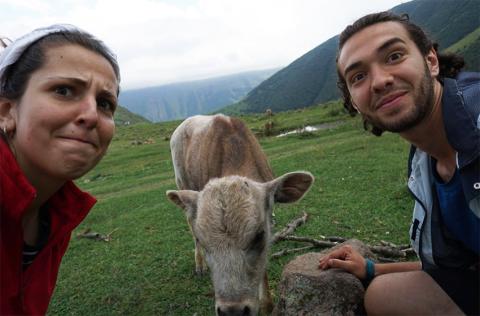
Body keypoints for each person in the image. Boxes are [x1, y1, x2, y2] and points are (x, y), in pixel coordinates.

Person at [318, 11, 479, 316]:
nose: (379, 81)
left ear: (431, 61)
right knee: (382, 295)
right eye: (358, 77)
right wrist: (370, 268)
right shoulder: (423, 163)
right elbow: (453, 266)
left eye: (394, 56)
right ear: (355, 102)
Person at [0, 25, 120, 315]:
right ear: (6, 112)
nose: (91, 115)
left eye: (105, 103)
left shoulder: (53, 216)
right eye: (64, 90)